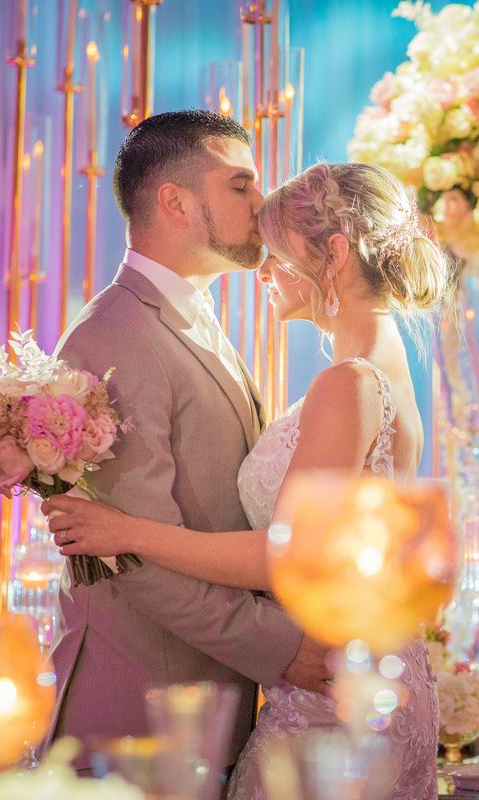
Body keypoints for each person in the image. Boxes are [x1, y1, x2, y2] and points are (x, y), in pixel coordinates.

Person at [45, 160, 451, 799]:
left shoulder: (348, 382)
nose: (262, 270)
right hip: (365, 668)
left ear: (334, 254)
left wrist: (128, 532)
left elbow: (287, 556)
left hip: (332, 688)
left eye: (277, 253)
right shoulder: (384, 360)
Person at [47, 110, 334, 774]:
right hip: (138, 707)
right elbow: (128, 553)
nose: (261, 203)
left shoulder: (191, 316)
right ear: (175, 202)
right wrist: (282, 648)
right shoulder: (114, 336)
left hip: (207, 694)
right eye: (240, 185)